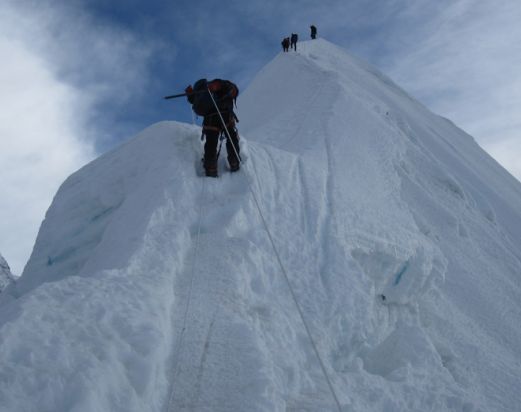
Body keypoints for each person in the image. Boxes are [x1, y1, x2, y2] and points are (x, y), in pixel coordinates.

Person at [185, 79, 240, 177]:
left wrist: (190, 95)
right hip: (225, 114)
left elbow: (193, 101)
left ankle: (211, 167)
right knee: (231, 137)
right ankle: (234, 161)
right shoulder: (220, 84)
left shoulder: (202, 93)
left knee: (211, 142)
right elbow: (234, 91)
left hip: (210, 119)